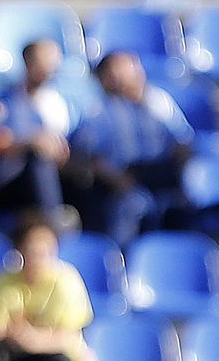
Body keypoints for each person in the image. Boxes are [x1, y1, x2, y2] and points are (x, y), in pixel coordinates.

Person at [67, 51, 193, 246]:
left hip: (160, 175)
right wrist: (118, 180)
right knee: (135, 206)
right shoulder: (99, 111)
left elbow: (182, 142)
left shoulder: (158, 100)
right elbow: (88, 156)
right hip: (122, 181)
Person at [0, 216, 97, 361]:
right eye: (33, 248)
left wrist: (35, 339)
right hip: (17, 353)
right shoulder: (4, 280)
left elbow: (69, 335)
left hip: (57, 357)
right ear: (20, 249)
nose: (39, 254)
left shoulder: (67, 280)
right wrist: (18, 334)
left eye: (46, 248)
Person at [0, 39, 71, 227]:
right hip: (12, 176)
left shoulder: (56, 102)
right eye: (42, 63)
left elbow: (63, 150)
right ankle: (53, 223)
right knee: (38, 159)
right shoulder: (6, 100)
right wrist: (31, 143)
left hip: (49, 175)